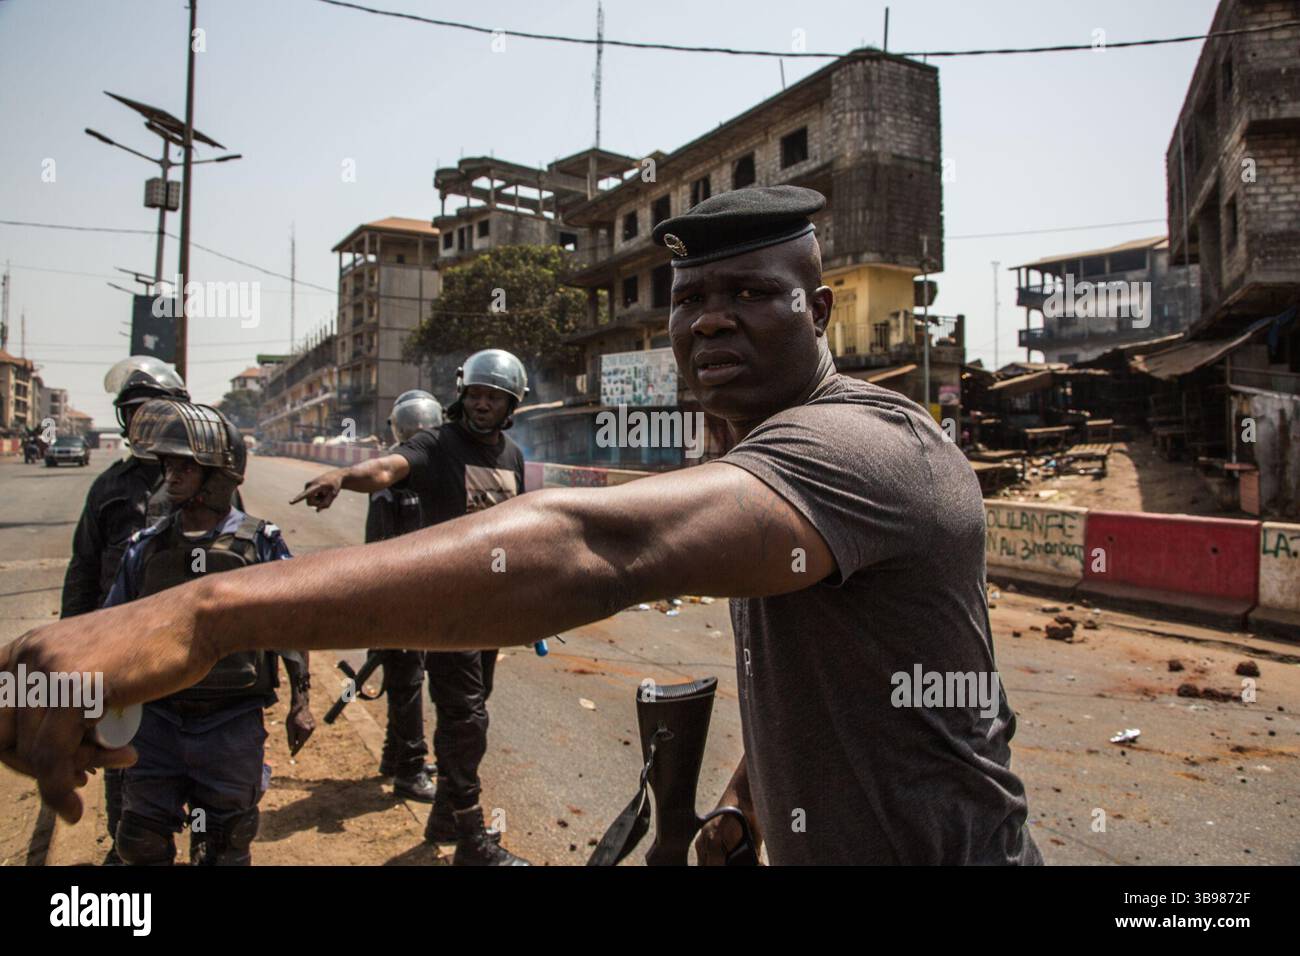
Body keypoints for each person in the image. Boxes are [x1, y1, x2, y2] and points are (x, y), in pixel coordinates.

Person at [4, 186, 1041, 865]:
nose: (708, 319)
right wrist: (746, 802)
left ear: (818, 312)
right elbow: (842, 677)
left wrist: (206, 615)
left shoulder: (860, 446)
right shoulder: (761, 462)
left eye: (746, 295)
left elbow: (595, 547)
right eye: (690, 298)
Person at [291, 354, 530, 866]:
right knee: (466, 718)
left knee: (472, 711)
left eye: (494, 396)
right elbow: (385, 469)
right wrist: (342, 476)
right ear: (462, 395)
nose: (483, 403)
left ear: (512, 404)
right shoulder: (438, 444)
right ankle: (470, 838)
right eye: (475, 394)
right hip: (447, 610)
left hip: (494, 612)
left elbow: (520, 528)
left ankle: (445, 813)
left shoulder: (512, 455)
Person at [104, 399, 313, 865]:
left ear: (218, 476)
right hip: (156, 721)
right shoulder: (147, 546)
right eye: (168, 466)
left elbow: (292, 623)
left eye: (186, 467)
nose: (172, 476)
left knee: (226, 843)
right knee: (139, 842)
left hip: (231, 723)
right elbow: (113, 626)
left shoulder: (260, 543)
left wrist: (301, 702)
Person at [59, 356, 190, 864]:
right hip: (119, 652)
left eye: (151, 412)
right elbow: (83, 570)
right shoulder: (109, 487)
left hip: (187, 648)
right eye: (132, 413)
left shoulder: (206, 478)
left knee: (193, 761)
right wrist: (70, 650)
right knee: (122, 756)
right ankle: (125, 848)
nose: (142, 424)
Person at [366, 390, 444, 803]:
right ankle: (410, 770)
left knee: (406, 680)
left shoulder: (424, 475)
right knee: (407, 682)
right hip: (399, 600)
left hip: (421, 597)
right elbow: (378, 550)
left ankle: (394, 755)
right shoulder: (391, 484)